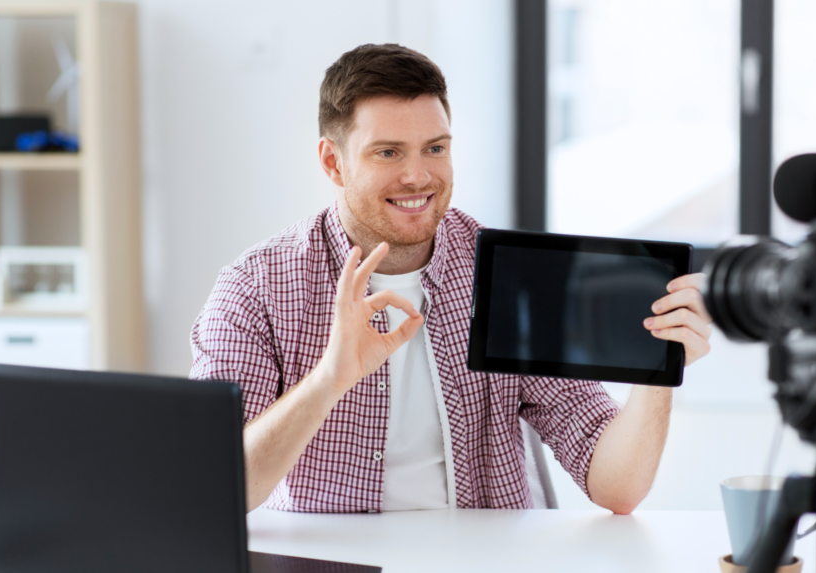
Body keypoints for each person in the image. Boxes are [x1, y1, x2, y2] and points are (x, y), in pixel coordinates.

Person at [190, 44, 712, 514]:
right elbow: (216, 488)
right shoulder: (255, 287)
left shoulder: (511, 273)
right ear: (334, 162)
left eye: (435, 148)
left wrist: (657, 370)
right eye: (388, 152)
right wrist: (330, 380)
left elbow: (617, 487)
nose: (418, 176)